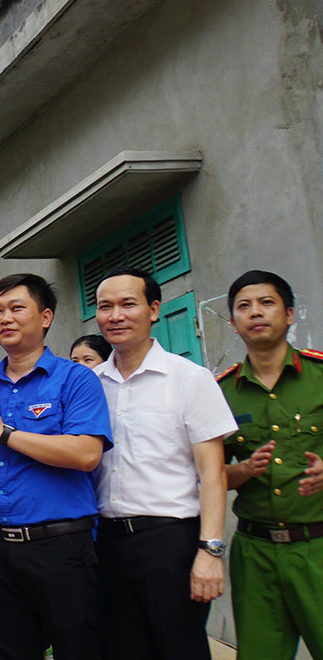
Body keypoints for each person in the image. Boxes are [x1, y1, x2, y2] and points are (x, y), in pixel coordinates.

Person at [0, 273, 112, 660]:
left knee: (80, 650)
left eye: (16, 308)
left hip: (61, 547)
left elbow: (85, 453)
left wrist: (3, 432)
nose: (4, 318)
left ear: (45, 317)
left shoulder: (76, 379)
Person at [90, 267, 235, 660]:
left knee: (179, 648)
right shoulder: (90, 385)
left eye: (127, 304)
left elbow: (212, 473)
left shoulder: (190, 379)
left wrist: (210, 550)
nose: (115, 315)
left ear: (154, 309)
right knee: (120, 648)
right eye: (105, 307)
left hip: (171, 540)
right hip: (106, 542)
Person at [218, 270, 323, 660]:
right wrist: (243, 471)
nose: (255, 313)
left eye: (267, 303)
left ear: (290, 314)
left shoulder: (320, 376)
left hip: (318, 546)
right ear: (233, 323)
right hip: (255, 552)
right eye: (244, 307)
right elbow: (210, 476)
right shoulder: (221, 392)